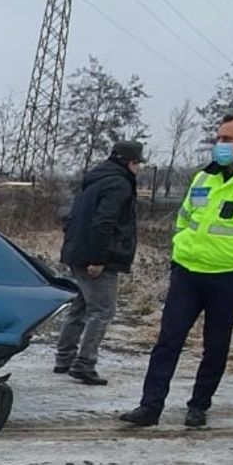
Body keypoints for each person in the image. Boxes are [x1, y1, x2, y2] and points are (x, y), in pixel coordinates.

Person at [121, 113, 233, 428]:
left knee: (215, 346)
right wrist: (179, 252)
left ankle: (198, 406)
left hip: (228, 277)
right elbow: (184, 218)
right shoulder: (203, 177)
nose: (220, 145)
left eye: (227, 139)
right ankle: (150, 407)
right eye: (218, 138)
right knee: (168, 340)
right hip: (187, 273)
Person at [54, 140, 144, 385]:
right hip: (98, 257)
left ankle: (64, 357)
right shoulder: (120, 184)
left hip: (77, 252)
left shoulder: (95, 179)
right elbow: (105, 222)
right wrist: (98, 258)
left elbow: (71, 216)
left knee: (81, 306)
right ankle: (84, 363)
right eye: (138, 163)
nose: (138, 169)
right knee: (103, 311)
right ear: (131, 162)